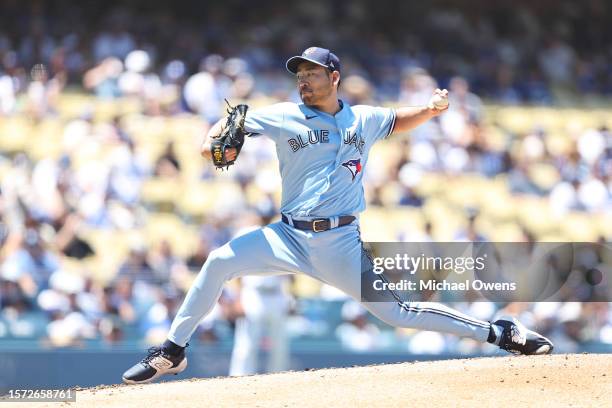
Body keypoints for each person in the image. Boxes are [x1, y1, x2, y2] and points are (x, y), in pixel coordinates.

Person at [122, 47, 553, 384]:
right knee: (218, 261)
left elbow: (395, 120)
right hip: (287, 237)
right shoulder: (284, 115)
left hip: (340, 243)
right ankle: (172, 351)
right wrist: (214, 139)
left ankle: (499, 332)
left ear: (334, 77)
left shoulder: (361, 119)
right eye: (299, 74)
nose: (303, 81)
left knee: (398, 313)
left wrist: (430, 111)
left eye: (311, 73)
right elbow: (222, 131)